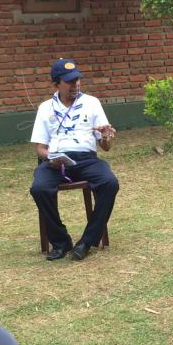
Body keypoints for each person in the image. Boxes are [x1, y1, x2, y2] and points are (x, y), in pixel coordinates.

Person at [30, 58, 119, 261]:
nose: (75, 85)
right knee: (39, 188)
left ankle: (87, 241)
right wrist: (50, 158)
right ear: (55, 84)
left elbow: (105, 147)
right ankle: (61, 242)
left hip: (86, 159)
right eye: (69, 81)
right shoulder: (45, 108)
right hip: (56, 162)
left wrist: (106, 137)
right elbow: (40, 148)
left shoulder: (92, 103)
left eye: (77, 80)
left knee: (109, 183)